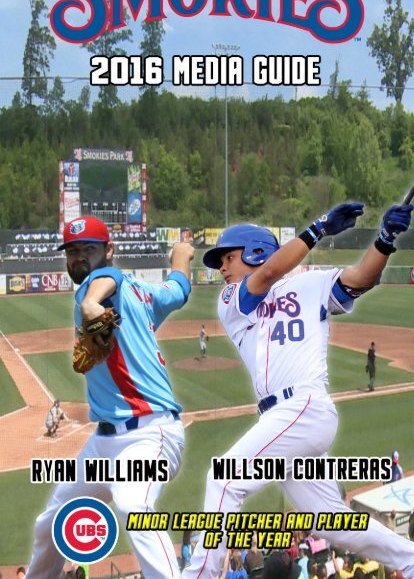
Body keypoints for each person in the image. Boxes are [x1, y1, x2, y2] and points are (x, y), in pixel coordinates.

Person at [182, 201, 414, 579]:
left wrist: (385, 239)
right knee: (332, 523)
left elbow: (361, 277)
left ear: (254, 251)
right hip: (281, 419)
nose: (220, 267)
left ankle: (199, 575)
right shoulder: (232, 299)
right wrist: (319, 227)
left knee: (223, 478)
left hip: (304, 405)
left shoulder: (311, 283)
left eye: (227, 257)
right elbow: (272, 271)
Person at [25, 216, 194, 579]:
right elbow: (179, 290)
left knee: (134, 504)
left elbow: (104, 282)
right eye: (72, 251)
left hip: (149, 434)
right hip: (103, 445)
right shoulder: (146, 293)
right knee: (51, 520)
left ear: (109, 251)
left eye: (89, 249)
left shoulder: (104, 281)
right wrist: (181, 255)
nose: (80, 258)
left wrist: (91, 306)